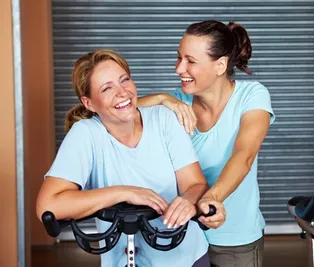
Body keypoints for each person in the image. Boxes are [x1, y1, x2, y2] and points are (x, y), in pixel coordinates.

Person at [35, 49, 226, 267]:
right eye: (107, 88)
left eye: (124, 80)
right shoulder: (85, 134)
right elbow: (48, 206)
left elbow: (195, 184)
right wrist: (124, 192)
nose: (122, 92)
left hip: (186, 256)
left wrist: (188, 200)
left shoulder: (164, 119)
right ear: (88, 103)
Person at [137, 20, 276, 267]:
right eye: (179, 58)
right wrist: (162, 98)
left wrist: (211, 199)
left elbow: (243, 155)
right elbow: (114, 111)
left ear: (220, 65)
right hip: (184, 236)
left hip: (233, 240)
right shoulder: (177, 103)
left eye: (190, 61)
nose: (179, 68)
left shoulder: (252, 96)